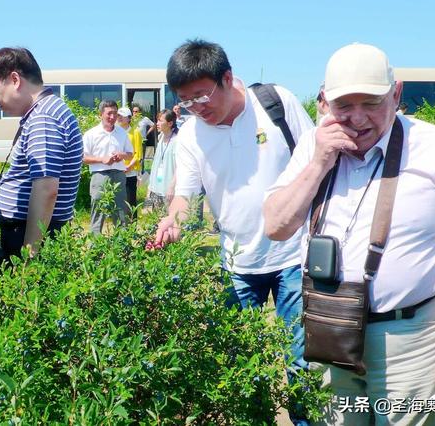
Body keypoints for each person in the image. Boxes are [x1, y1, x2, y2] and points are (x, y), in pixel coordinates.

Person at [264, 43, 435, 425]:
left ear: (397, 93)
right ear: (323, 101)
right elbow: (276, 226)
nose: (356, 118)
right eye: (343, 106)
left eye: (370, 103)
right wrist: (320, 161)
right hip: (329, 330)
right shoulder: (314, 144)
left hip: (409, 337)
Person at [154, 39, 314, 425]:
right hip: (237, 264)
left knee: (303, 366)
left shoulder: (276, 103)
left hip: (297, 255)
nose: (196, 108)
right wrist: (171, 221)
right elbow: (184, 197)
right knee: (240, 365)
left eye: (201, 95)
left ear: (227, 78)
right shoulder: (191, 136)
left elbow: (316, 161)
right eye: (185, 101)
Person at [0, 47, 83, 258]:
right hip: (31, 229)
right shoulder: (45, 111)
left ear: (14, 79)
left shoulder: (43, 118)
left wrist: (30, 252)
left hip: (28, 234)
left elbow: (46, 188)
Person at [82, 100, 133, 234]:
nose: (112, 117)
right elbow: (83, 158)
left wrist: (122, 155)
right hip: (100, 175)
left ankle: (122, 245)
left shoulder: (122, 133)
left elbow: (130, 154)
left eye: (115, 114)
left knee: (121, 210)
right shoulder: (91, 134)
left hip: (119, 175)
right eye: (109, 114)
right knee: (98, 210)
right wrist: (102, 159)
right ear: (100, 115)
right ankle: (96, 246)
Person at [148, 109, 178, 210]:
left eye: (161, 121)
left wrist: (172, 187)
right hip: (156, 189)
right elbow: (156, 164)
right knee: (156, 222)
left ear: (170, 123)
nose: (157, 123)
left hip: (169, 192)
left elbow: (180, 167)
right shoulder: (161, 137)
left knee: (170, 222)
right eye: (157, 120)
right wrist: (150, 186)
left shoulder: (176, 141)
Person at [116, 107, 144, 219]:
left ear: (129, 118)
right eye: (118, 116)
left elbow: (138, 153)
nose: (119, 118)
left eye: (122, 116)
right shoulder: (116, 131)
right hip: (117, 171)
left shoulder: (135, 132)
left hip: (130, 172)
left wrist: (129, 166)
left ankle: (132, 225)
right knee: (118, 200)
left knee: (131, 200)